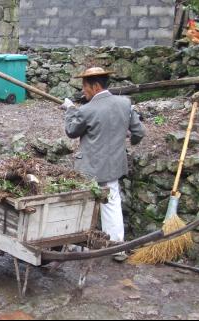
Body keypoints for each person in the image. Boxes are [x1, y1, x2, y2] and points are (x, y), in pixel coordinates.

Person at [63, 67, 146, 261]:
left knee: (83, 204)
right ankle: (117, 248)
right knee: (112, 205)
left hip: (89, 169)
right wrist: (129, 141)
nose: (84, 91)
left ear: (96, 86)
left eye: (85, 87)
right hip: (113, 167)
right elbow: (139, 132)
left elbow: (71, 131)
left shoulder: (86, 109)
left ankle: (78, 246)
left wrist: (69, 110)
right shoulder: (125, 103)